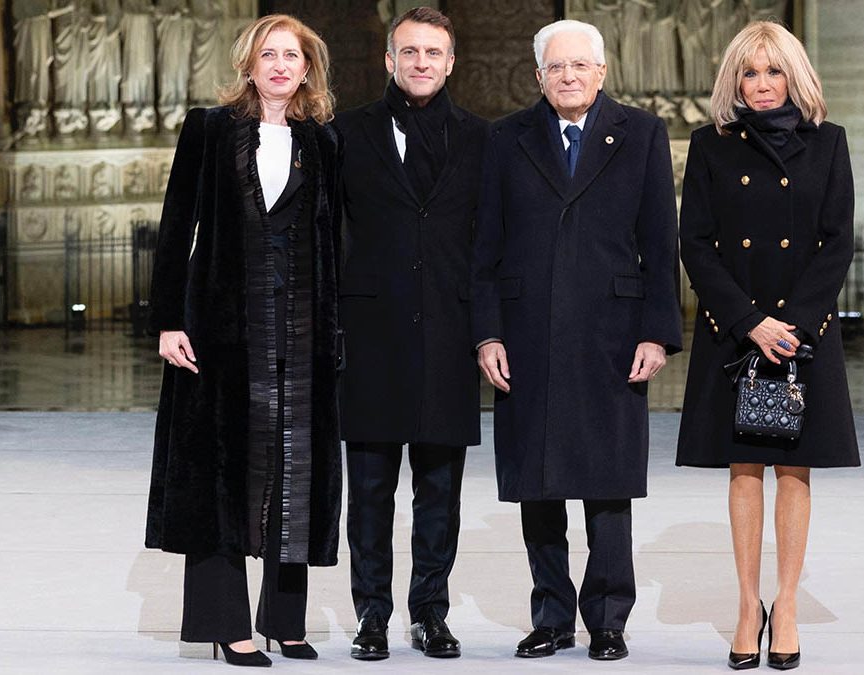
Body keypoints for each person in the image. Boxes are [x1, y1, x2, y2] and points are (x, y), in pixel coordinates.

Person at [471, 19, 682, 662]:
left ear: (602, 70)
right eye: (556, 68)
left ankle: (609, 618)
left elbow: (659, 240)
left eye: (580, 66)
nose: (568, 77)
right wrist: (487, 334)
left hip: (612, 335)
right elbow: (485, 245)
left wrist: (658, 333)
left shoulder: (642, 133)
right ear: (539, 76)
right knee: (538, 482)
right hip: (527, 332)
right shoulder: (505, 138)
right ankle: (552, 615)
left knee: (607, 481)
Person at [145, 14, 343, 667]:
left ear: (307, 67)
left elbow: (333, 243)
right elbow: (177, 227)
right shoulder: (209, 129)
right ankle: (226, 626)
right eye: (269, 54)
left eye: (292, 55)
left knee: (294, 478)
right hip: (220, 334)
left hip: (300, 336)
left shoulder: (322, 142)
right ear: (249, 64)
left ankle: (285, 621)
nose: (281, 65)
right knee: (221, 479)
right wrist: (170, 319)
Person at [676, 20, 860, 671]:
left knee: (794, 469)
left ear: (794, 76)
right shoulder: (710, 145)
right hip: (737, 330)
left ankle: (785, 604)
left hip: (804, 333)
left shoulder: (829, 144)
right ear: (735, 79)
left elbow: (837, 239)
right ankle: (746, 604)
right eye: (749, 72)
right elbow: (694, 242)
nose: (760, 83)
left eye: (772, 71)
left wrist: (796, 323)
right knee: (744, 468)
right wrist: (750, 320)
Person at [332, 6, 487, 661]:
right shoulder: (345, 134)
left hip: (450, 336)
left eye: (434, 52)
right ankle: (371, 613)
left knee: (440, 492)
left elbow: (490, 242)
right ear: (389, 60)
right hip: (369, 336)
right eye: (410, 51)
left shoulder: (483, 139)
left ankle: (429, 612)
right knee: (368, 492)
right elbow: (327, 233)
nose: (422, 62)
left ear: (451, 62)